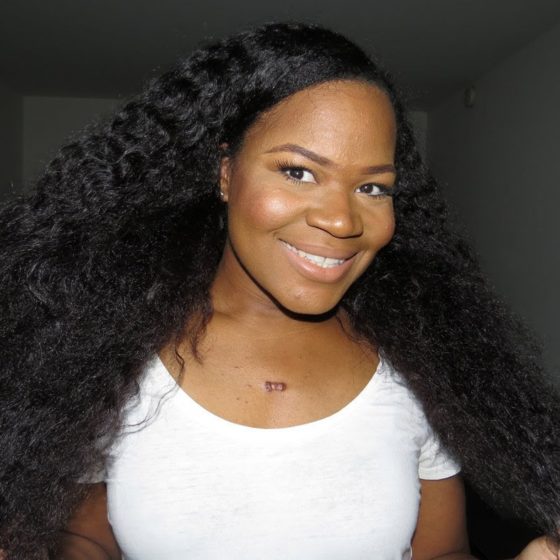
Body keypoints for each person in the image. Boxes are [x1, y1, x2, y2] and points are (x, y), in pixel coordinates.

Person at [0, 22, 558, 560]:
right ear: (225, 173)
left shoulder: (423, 366)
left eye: (372, 187)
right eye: (298, 172)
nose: (341, 220)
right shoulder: (109, 356)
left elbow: (442, 551)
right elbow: (89, 540)